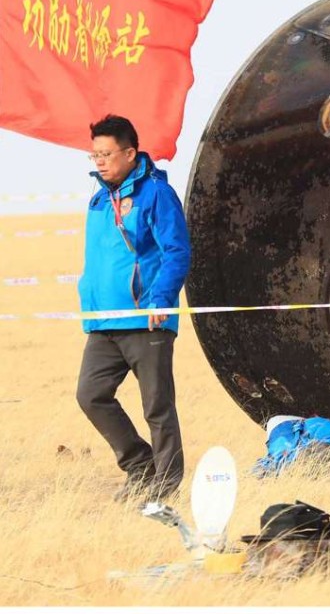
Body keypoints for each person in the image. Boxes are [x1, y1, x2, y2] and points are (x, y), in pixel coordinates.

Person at [76, 114, 192, 503]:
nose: (100, 161)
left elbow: (176, 251)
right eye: (95, 155)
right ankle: (140, 466)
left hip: (147, 319)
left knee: (157, 406)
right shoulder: (97, 198)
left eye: (107, 154)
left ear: (129, 152)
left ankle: (166, 484)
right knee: (90, 395)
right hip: (104, 321)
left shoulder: (156, 194)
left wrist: (160, 298)